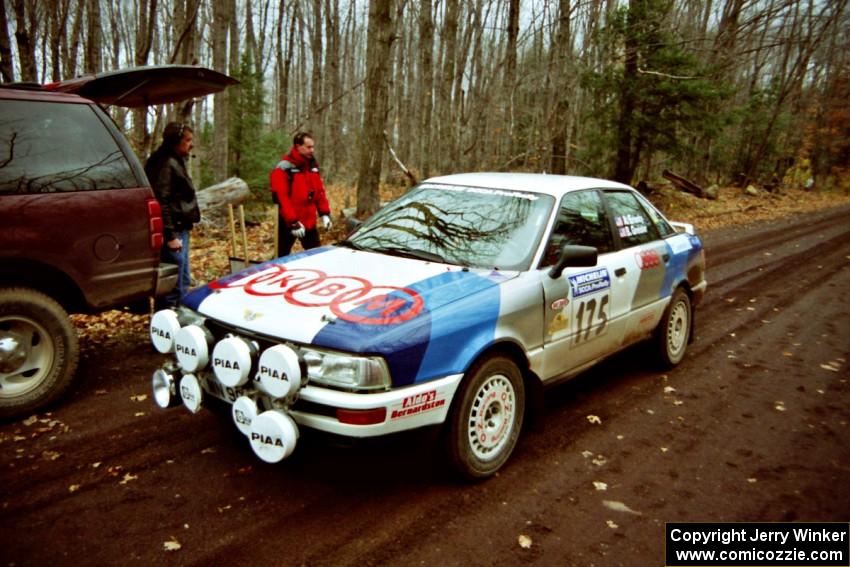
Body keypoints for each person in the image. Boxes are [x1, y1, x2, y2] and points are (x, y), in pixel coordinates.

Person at [145, 122, 200, 309]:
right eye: (188, 140)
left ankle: (179, 327)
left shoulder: (174, 160)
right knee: (173, 286)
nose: (191, 144)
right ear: (175, 141)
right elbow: (161, 201)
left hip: (179, 228)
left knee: (182, 282)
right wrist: (170, 236)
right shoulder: (165, 163)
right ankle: (166, 330)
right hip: (173, 231)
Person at [270, 131, 332, 256]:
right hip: (288, 222)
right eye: (309, 147)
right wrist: (293, 222)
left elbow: (319, 192)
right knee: (280, 258)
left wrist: (325, 213)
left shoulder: (312, 166)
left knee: (316, 257)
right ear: (298, 146)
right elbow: (281, 198)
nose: (312, 150)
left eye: (313, 147)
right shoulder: (284, 168)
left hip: (309, 221)